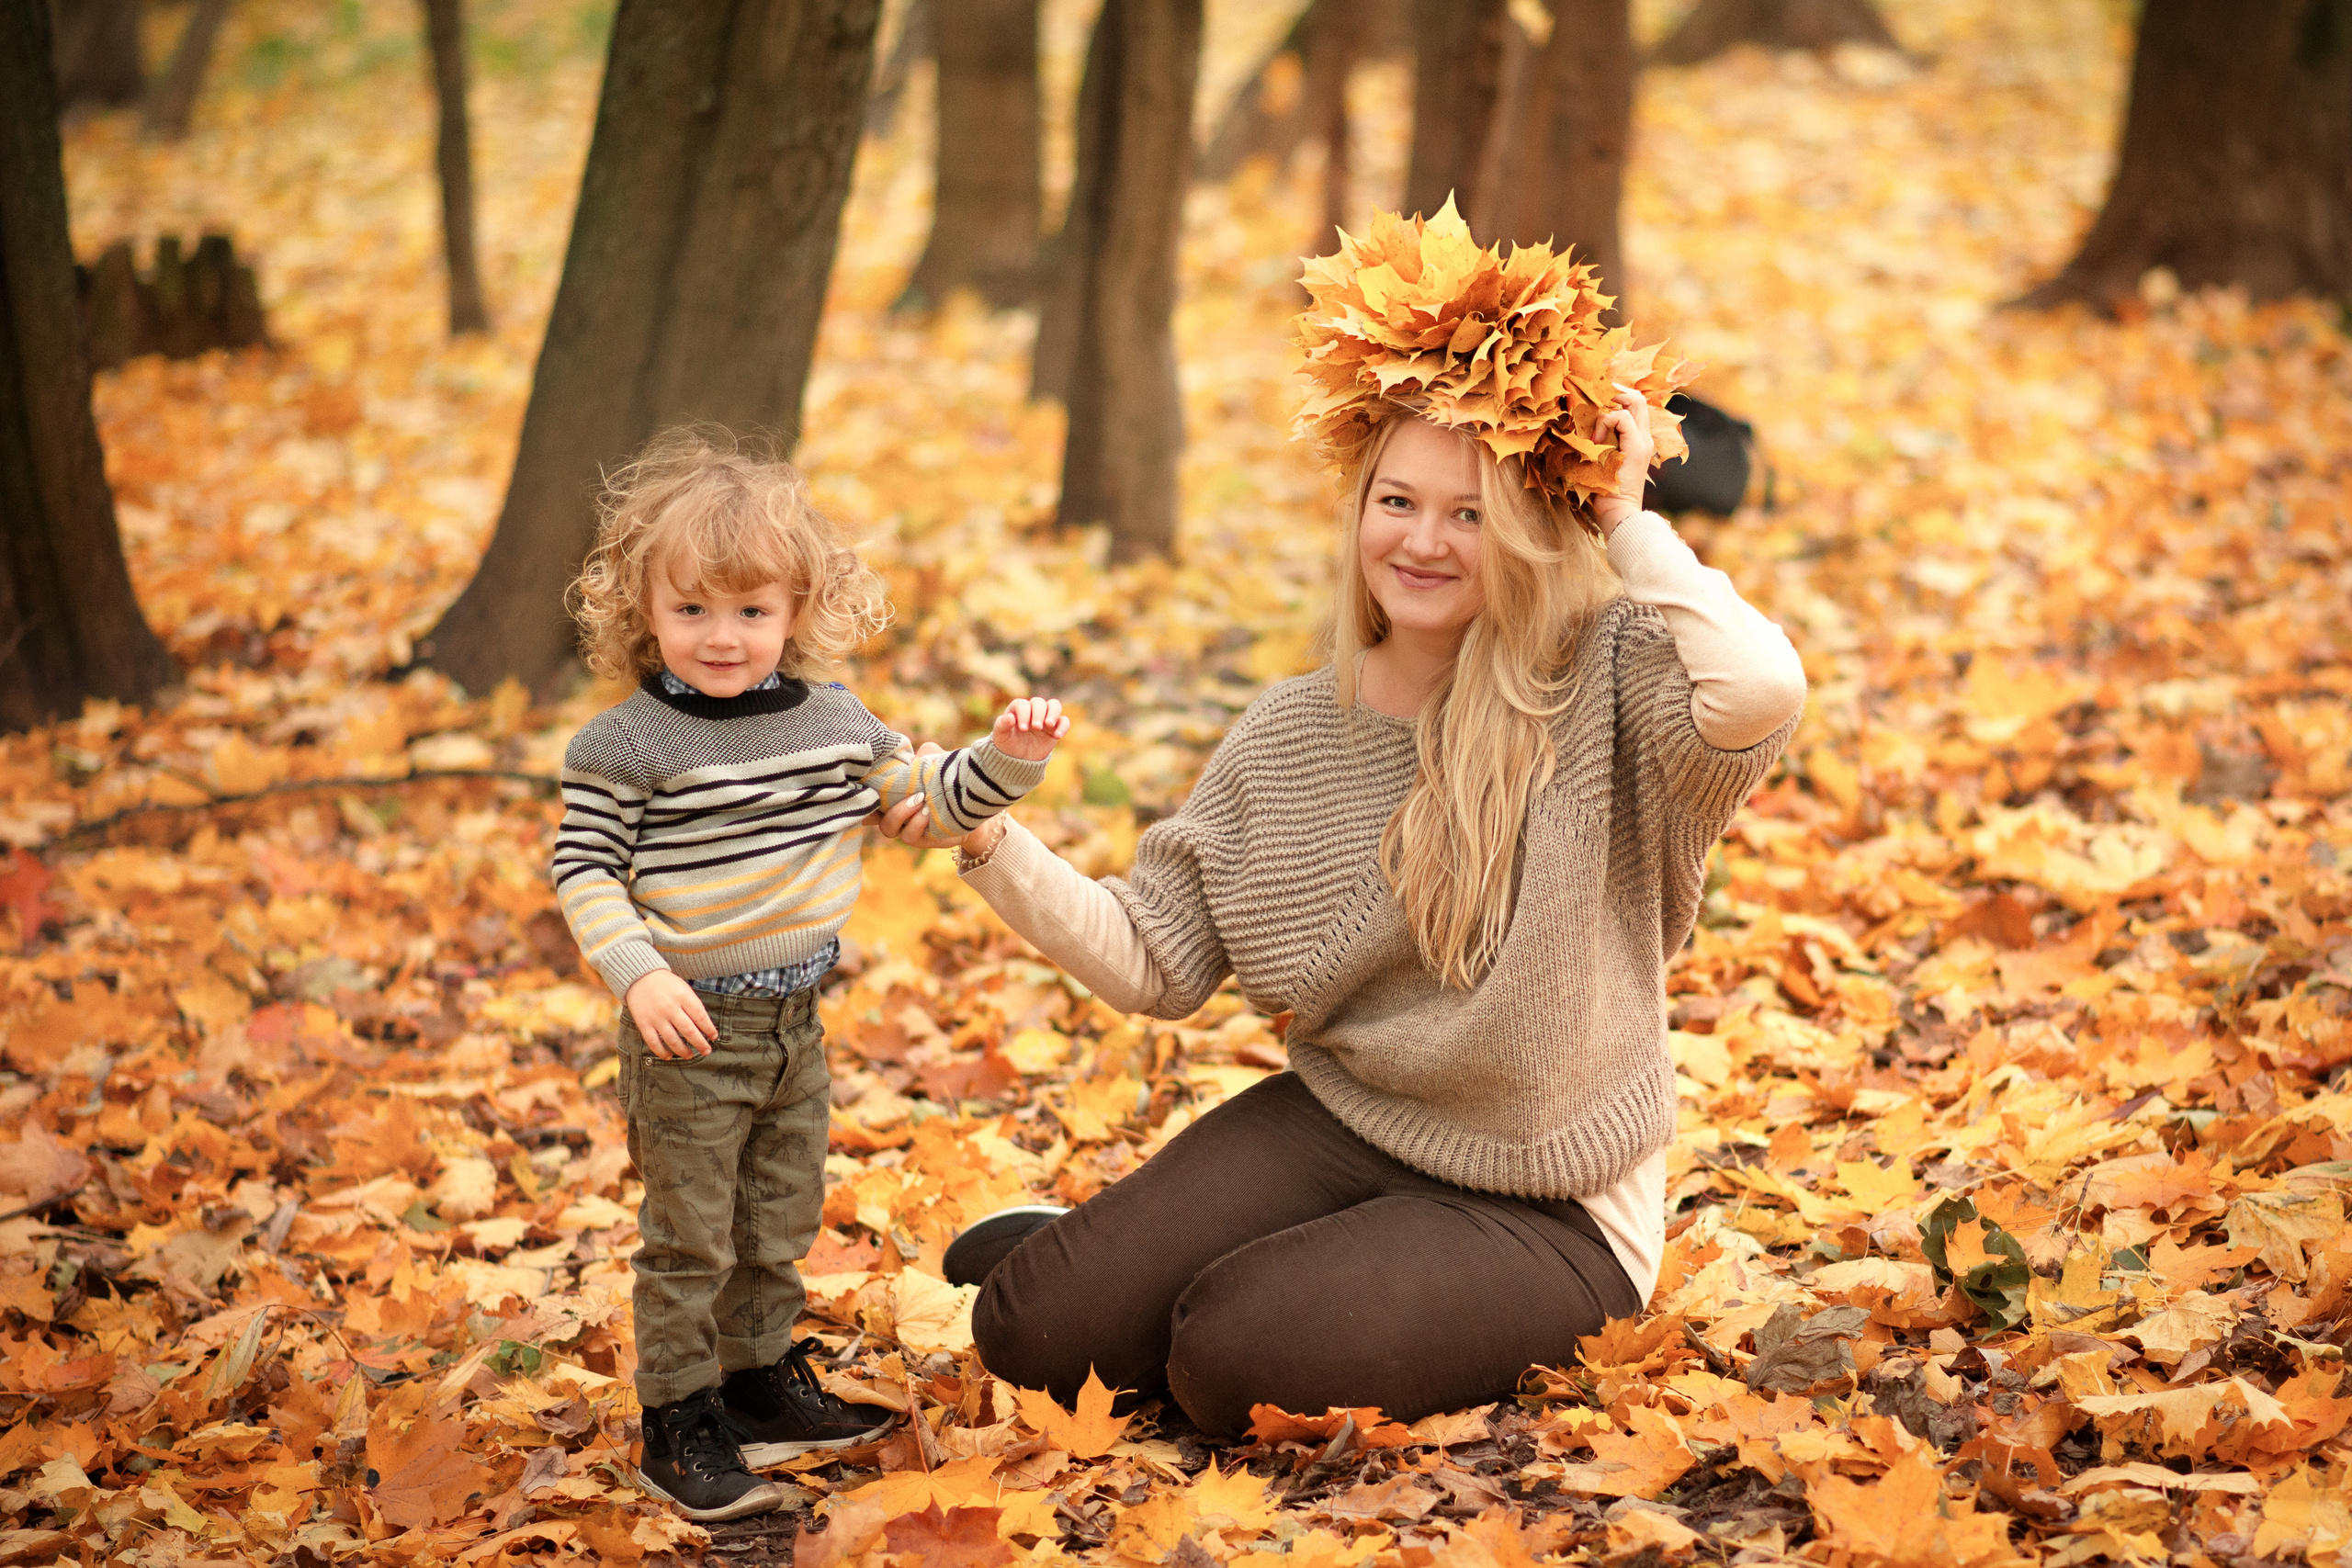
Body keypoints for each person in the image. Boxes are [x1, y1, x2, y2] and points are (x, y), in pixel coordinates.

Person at [876, 206, 1806, 1437]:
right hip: (1351, 1125)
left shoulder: (1609, 680)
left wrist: (1626, 517)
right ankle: (1152, 1268)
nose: (1422, 540)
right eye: (1397, 501)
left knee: (1232, 1363)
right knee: (1032, 1330)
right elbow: (1156, 957)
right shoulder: (1289, 731)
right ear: (1358, 506)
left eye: (1470, 512)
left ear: (1531, 528)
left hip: (1551, 1202)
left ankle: (1244, 1286)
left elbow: (1762, 690)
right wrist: (986, 839)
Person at [552, 430, 1070, 1520]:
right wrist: (637, 973)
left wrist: (1007, 762)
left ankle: (752, 1382)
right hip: (685, 1031)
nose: (722, 637)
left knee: (777, 1216)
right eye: (691, 609)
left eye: (750, 611)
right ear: (640, 608)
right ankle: (677, 1419)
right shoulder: (626, 745)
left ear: (797, 609)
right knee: (690, 1230)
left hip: (795, 1022)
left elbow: (930, 806)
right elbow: (585, 865)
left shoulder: (835, 725)